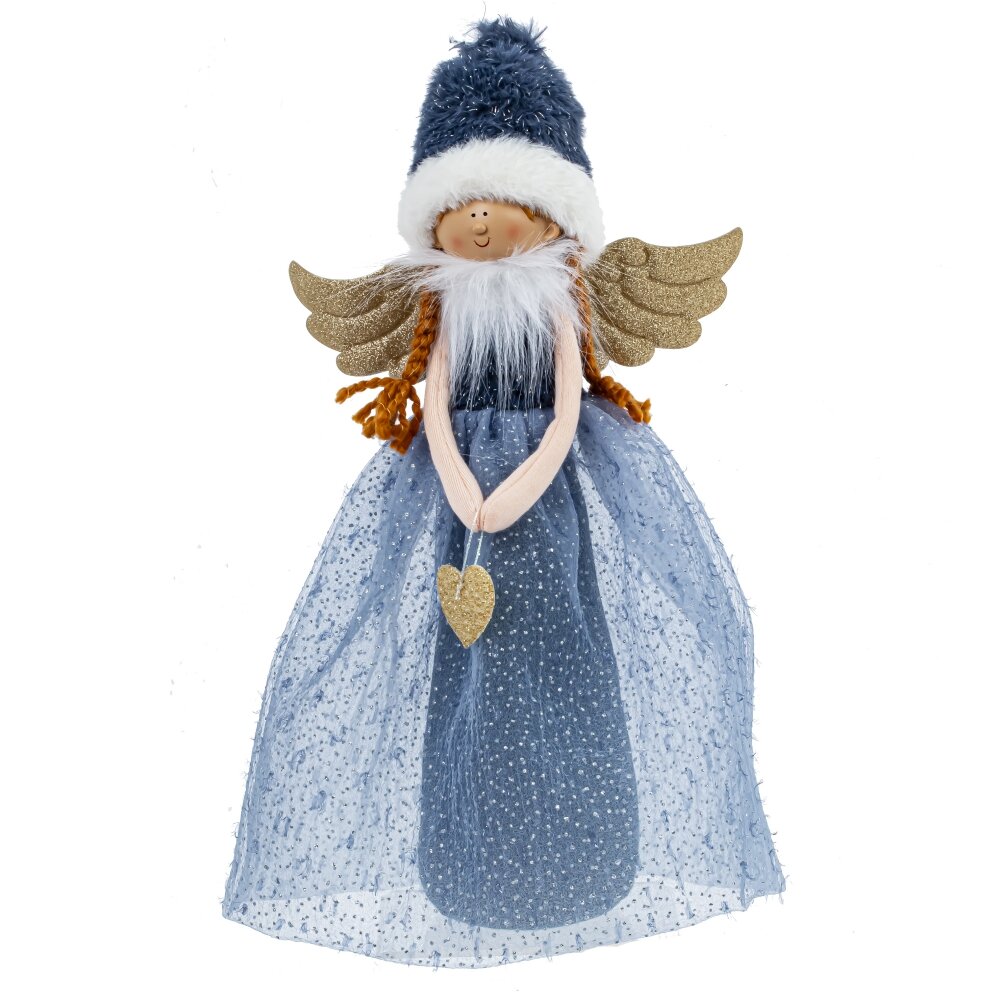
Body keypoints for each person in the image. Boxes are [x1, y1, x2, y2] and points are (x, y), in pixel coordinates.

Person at [222, 16, 784, 968]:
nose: (480, 220)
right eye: (462, 202)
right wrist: (457, 482)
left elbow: (567, 409)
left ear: (553, 213)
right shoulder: (442, 306)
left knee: (563, 657)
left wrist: (521, 486)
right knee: (465, 676)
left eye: (502, 199)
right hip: (459, 519)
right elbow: (435, 407)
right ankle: (470, 865)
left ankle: (583, 859)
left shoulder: (560, 302)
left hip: (546, 513)